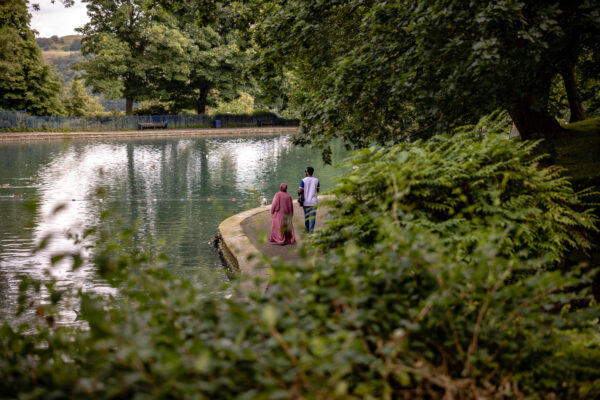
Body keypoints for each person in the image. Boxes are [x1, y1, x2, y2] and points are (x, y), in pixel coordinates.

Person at [298, 166, 319, 233]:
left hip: (305, 202)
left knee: (306, 217)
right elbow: (317, 190)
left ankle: (307, 230)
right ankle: (311, 231)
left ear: (307, 172)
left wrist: (299, 193)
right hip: (314, 202)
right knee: (313, 217)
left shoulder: (303, 180)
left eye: (305, 171)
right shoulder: (316, 180)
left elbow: (300, 190)